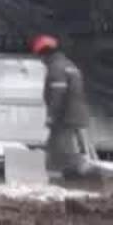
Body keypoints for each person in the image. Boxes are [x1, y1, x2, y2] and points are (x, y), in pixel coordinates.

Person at [32, 34, 95, 179]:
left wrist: (51, 116)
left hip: (65, 116)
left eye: (39, 56)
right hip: (78, 114)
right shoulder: (69, 64)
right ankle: (71, 170)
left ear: (44, 54)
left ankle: (71, 171)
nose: (40, 60)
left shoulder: (56, 67)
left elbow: (57, 95)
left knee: (59, 147)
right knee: (63, 145)